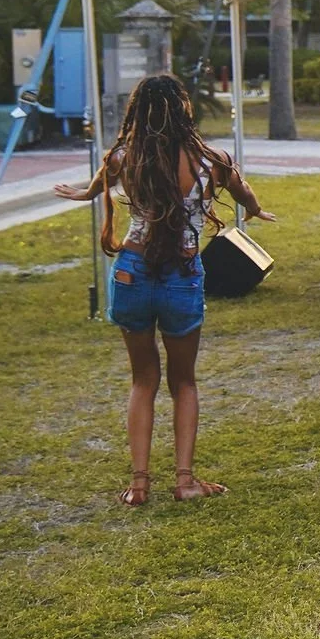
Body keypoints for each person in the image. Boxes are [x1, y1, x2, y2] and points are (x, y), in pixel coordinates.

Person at [52, 73, 272, 505]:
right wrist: (257, 210)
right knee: (183, 381)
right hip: (182, 274)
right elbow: (244, 193)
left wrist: (83, 194)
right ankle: (185, 481)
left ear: (139, 111)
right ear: (183, 109)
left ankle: (139, 485)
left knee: (143, 379)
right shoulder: (212, 160)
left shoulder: (123, 158)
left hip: (132, 271)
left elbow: (100, 183)